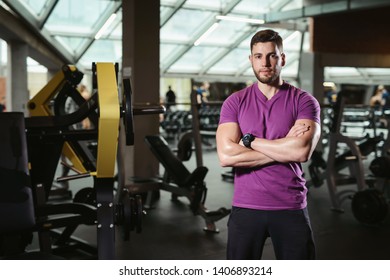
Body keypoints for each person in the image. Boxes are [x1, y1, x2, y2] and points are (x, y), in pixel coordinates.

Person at [216, 29, 321, 260]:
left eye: (272, 55)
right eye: (258, 56)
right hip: (246, 205)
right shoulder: (235, 102)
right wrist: (284, 148)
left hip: (290, 204)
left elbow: (302, 151)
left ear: (282, 58)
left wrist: (250, 142)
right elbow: (226, 156)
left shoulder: (304, 101)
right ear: (250, 59)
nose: (265, 62)